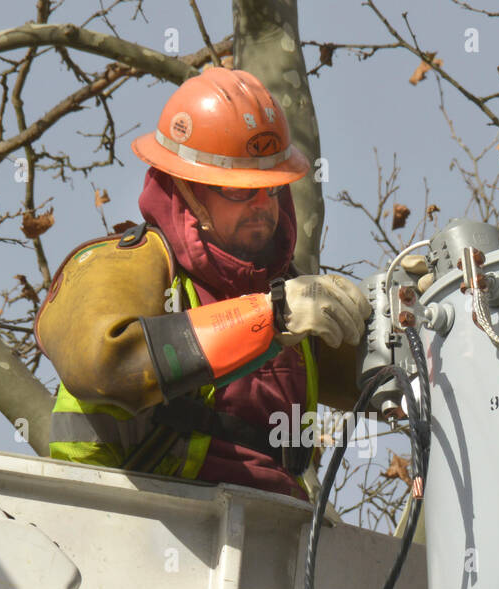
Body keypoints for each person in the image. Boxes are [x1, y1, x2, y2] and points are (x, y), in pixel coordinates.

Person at [35, 67, 372, 502]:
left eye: (270, 189)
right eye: (238, 191)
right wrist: (269, 318)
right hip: (120, 523)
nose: (261, 206)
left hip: (268, 534)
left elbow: (386, 384)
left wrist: (427, 316)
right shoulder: (120, 264)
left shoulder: (290, 296)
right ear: (185, 189)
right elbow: (106, 364)